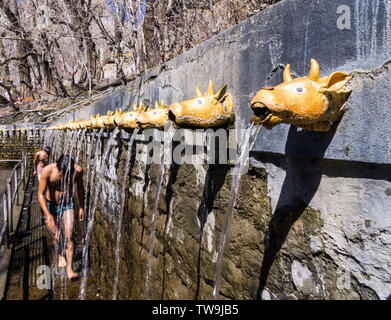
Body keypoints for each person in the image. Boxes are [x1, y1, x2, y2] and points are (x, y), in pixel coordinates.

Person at [37, 154, 85, 280]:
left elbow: (80, 188)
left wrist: (81, 207)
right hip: (51, 205)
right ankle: (59, 254)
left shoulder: (78, 171)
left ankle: (70, 269)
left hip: (68, 204)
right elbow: (40, 194)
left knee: (69, 235)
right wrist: (47, 214)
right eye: (62, 173)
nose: (65, 177)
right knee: (56, 235)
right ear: (58, 168)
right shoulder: (48, 171)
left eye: (68, 174)